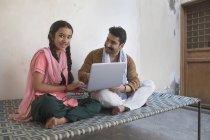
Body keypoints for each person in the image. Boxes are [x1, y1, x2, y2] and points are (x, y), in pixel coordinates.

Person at [9, 20, 101, 128]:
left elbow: (65, 87)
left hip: (61, 96)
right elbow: (37, 86)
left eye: (69, 37)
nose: (65, 40)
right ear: (52, 36)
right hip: (44, 98)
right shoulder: (42, 55)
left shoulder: (63, 55)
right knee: (49, 104)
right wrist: (67, 88)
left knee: (94, 103)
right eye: (61, 36)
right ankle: (71, 112)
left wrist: (75, 88)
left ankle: (61, 119)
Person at [78, 26, 155, 115]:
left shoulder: (128, 60)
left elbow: (135, 80)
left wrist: (123, 88)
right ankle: (134, 103)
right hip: (102, 92)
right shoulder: (93, 55)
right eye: (107, 39)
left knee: (149, 84)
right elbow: (81, 74)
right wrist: (92, 76)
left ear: (121, 46)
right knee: (103, 95)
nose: (107, 44)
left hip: (121, 91)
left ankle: (125, 106)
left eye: (113, 42)